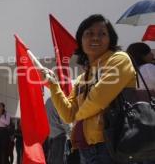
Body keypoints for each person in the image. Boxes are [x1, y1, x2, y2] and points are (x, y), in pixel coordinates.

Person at [41, 14, 136, 164]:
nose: (95, 38)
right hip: (85, 151)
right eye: (89, 33)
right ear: (80, 41)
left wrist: (77, 117)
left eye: (102, 33)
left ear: (110, 39)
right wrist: (53, 85)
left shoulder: (119, 59)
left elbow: (97, 100)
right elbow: (67, 115)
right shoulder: (81, 79)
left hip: (112, 147)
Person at [44, 98, 71, 164]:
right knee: (60, 160)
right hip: (60, 136)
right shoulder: (58, 101)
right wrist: (71, 135)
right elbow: (65, 120)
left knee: (52, 160)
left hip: (51, 136)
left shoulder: (47, 102)